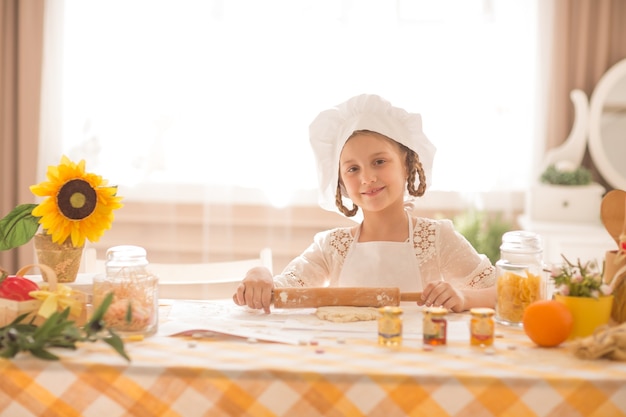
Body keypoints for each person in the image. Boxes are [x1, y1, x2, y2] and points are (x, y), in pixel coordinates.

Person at [233, 94, 496, 313]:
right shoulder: (332, 247)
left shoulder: (438, 239)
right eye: (352, 169)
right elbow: (281, 291)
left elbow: (505, 293)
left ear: (407, 164)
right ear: (340, 182)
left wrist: (464, 298)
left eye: (379, 162)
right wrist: (259, 274)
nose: (367, 178)